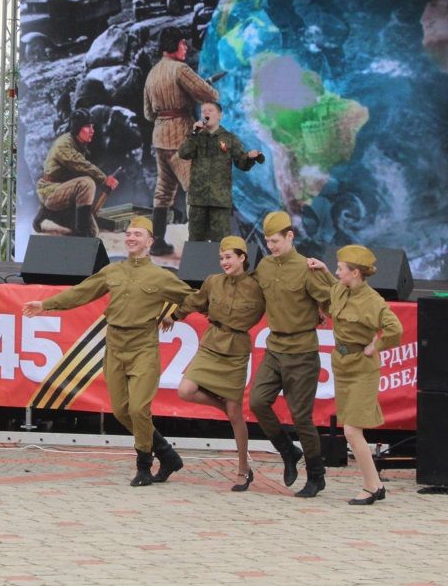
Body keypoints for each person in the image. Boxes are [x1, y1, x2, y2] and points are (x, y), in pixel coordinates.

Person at [21, 216, 191, 487]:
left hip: (143, 347)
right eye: (129, 234)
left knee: (138, 409)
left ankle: (144, 466)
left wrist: (174, 313)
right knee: (121, 411)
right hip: (114, 345)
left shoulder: (161, 276)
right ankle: (167, 454)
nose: (131, 238)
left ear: (150, 241)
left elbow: (191, 296)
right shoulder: (113, 271)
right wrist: (46, 305)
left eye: (137, 234)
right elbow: (81, 293)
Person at [163, 235, 265, 491]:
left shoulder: (257, 286)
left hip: (237, 349)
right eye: (221, 258)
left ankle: (244, 469)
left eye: (229, 257)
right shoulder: (213, 281)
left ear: (242, 257)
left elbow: (283, 303)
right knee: (185, 390)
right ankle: (223, 407)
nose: (224, 262)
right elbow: (196, 301)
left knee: (235, 415)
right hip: (211, 344)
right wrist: (173, 316)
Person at [247, 211, 335, 498]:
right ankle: (288, 451)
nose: (271, 246)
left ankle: (316, 476)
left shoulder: (307, 269)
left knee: (302, 418)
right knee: (258, 402)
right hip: (275, 347)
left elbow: (336, 302)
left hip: (302, 351)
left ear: (290, 236)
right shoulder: (265, 267)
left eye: (276, 241)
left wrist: (328, 275)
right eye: (267, 241)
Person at [310, 245, 404, 505]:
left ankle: (371, 487)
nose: (338, 272)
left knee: (352, 430)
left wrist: (376, 345)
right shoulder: (342, 288)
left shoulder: (373, 301)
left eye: (341, 268)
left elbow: (394, 329)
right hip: (342, 363)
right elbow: (334, 294)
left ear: (355, 273)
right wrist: (326, 271)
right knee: (350, 428)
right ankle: (376, 485)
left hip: (363, 369)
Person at [142, 26, 219, 255]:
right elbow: (210, 95)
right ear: (175, 45)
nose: (186, 47)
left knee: (163, 192)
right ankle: (199, 251)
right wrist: (199, 89)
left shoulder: (153, 73)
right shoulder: (181, 69)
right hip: (181, 137)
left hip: (160, 136)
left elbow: (148, 113)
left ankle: (156, 243)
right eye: (183, 43)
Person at [177, 101, 263, 242]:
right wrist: (193, 134)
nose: (206, 113)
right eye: (203, 111)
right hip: (198, 199)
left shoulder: (229, 138)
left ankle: (220, 265)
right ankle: (197, 264)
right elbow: (183, 153)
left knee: (221, 242)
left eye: (210, 110)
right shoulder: (197, 137)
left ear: (220, 115)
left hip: (220, 200)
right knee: (196, 241)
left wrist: (249, 157)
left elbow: (241, 163)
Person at [33, 109, 118, 237]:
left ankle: (48, 213)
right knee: (87, 184)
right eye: (88, 126)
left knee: (93, 231)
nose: (92, 131)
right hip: (50, 191)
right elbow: (82, 165)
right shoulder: (64, 144)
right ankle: (81, 233)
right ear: (77, 127)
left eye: (92, 126)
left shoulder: (78, 142)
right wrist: (104, 179)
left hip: (63, 190)